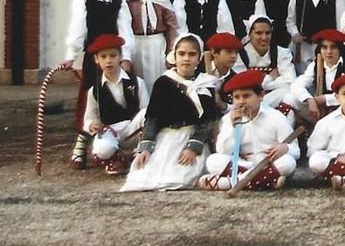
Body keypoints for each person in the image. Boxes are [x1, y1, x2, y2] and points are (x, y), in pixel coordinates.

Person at [122, 34, 219, 192]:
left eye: (192, 54)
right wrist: (146, 147)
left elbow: (207, 120)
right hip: (166, 137)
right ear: (174, 56)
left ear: (199, 58)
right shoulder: (164, 82)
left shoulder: (205, 84)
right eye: (181, 54)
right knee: (143, 176)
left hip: (190, 136)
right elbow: (153, 117)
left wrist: (193, 147)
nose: (186, 58)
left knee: (181, 177)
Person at [65, 0, 136, 165]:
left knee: (115, 96)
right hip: (94, 56)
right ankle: (80, 143)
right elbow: (78, 26)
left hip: (114, 55)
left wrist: (127, 56)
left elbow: (125, 28)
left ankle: (110, 144)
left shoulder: (118, 0)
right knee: (89, 96)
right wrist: (71, 54)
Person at [198, 70, 298, 192]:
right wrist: (232, 126)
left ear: (261, 96)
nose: (241, 101)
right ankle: (266, 181)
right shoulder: (228, 119)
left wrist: (285, 148)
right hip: (243, 165)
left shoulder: (276, 117)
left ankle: (230, 183)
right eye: (236, 97)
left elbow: (295, 150)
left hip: (269, 163)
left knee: (288, 162)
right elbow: (223, 151)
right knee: (213, 161)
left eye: (246, 96)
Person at [81, 35, 148, 175]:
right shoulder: (95, 90)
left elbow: (146, 111)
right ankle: (117, 158)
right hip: (111, 132)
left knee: (148, 113)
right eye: (103, 56)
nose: (109, 60)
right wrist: (91, 125)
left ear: (121, 57)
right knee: (102, 149)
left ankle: (141, 154)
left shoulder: (136, 82)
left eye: (113, 55)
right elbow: (88, 118)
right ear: (96, 59)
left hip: (133, 131)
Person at [119, 0, 178, 89]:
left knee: (159, 80)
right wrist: (124, 55)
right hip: (134, 45)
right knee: (138, 82)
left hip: (157, 45)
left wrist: (171, 51)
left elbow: (172, 26)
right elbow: (122, 27)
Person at [291, 28, 345, 122]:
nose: (329, 51)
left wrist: (324, 99)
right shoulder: (315, 65)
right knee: (290, 99)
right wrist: (310, 100)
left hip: (343, 109)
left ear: (339, 49)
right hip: (320, 110)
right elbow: (297, 85)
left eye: (333, 47)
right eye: (324, 47)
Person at [238, 14, 296, 118]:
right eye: (259, 33)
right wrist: (269, 78)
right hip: (249, 100)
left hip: (277, 97)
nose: (264, 38)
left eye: (267, 33)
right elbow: (242, 86)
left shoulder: (282, 53)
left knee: (289, 96)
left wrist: (260, 85)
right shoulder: (241, 55)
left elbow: (290, 82)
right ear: (249, 34)